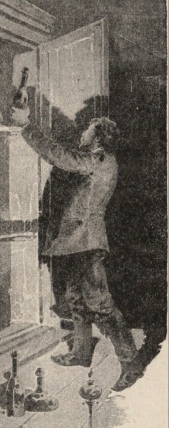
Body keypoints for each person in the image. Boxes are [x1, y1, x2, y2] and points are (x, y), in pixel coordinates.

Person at [12, 109, 140, 390]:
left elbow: (60, 157)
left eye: (88, 130)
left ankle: (131, 364)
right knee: (76, 300)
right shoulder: (100, 159)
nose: (82, 133)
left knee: (100, 305)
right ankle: (81, 354)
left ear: (98, 139)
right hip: (76, 242)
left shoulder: (98, 159)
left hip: (86, 243)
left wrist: (27, 126)